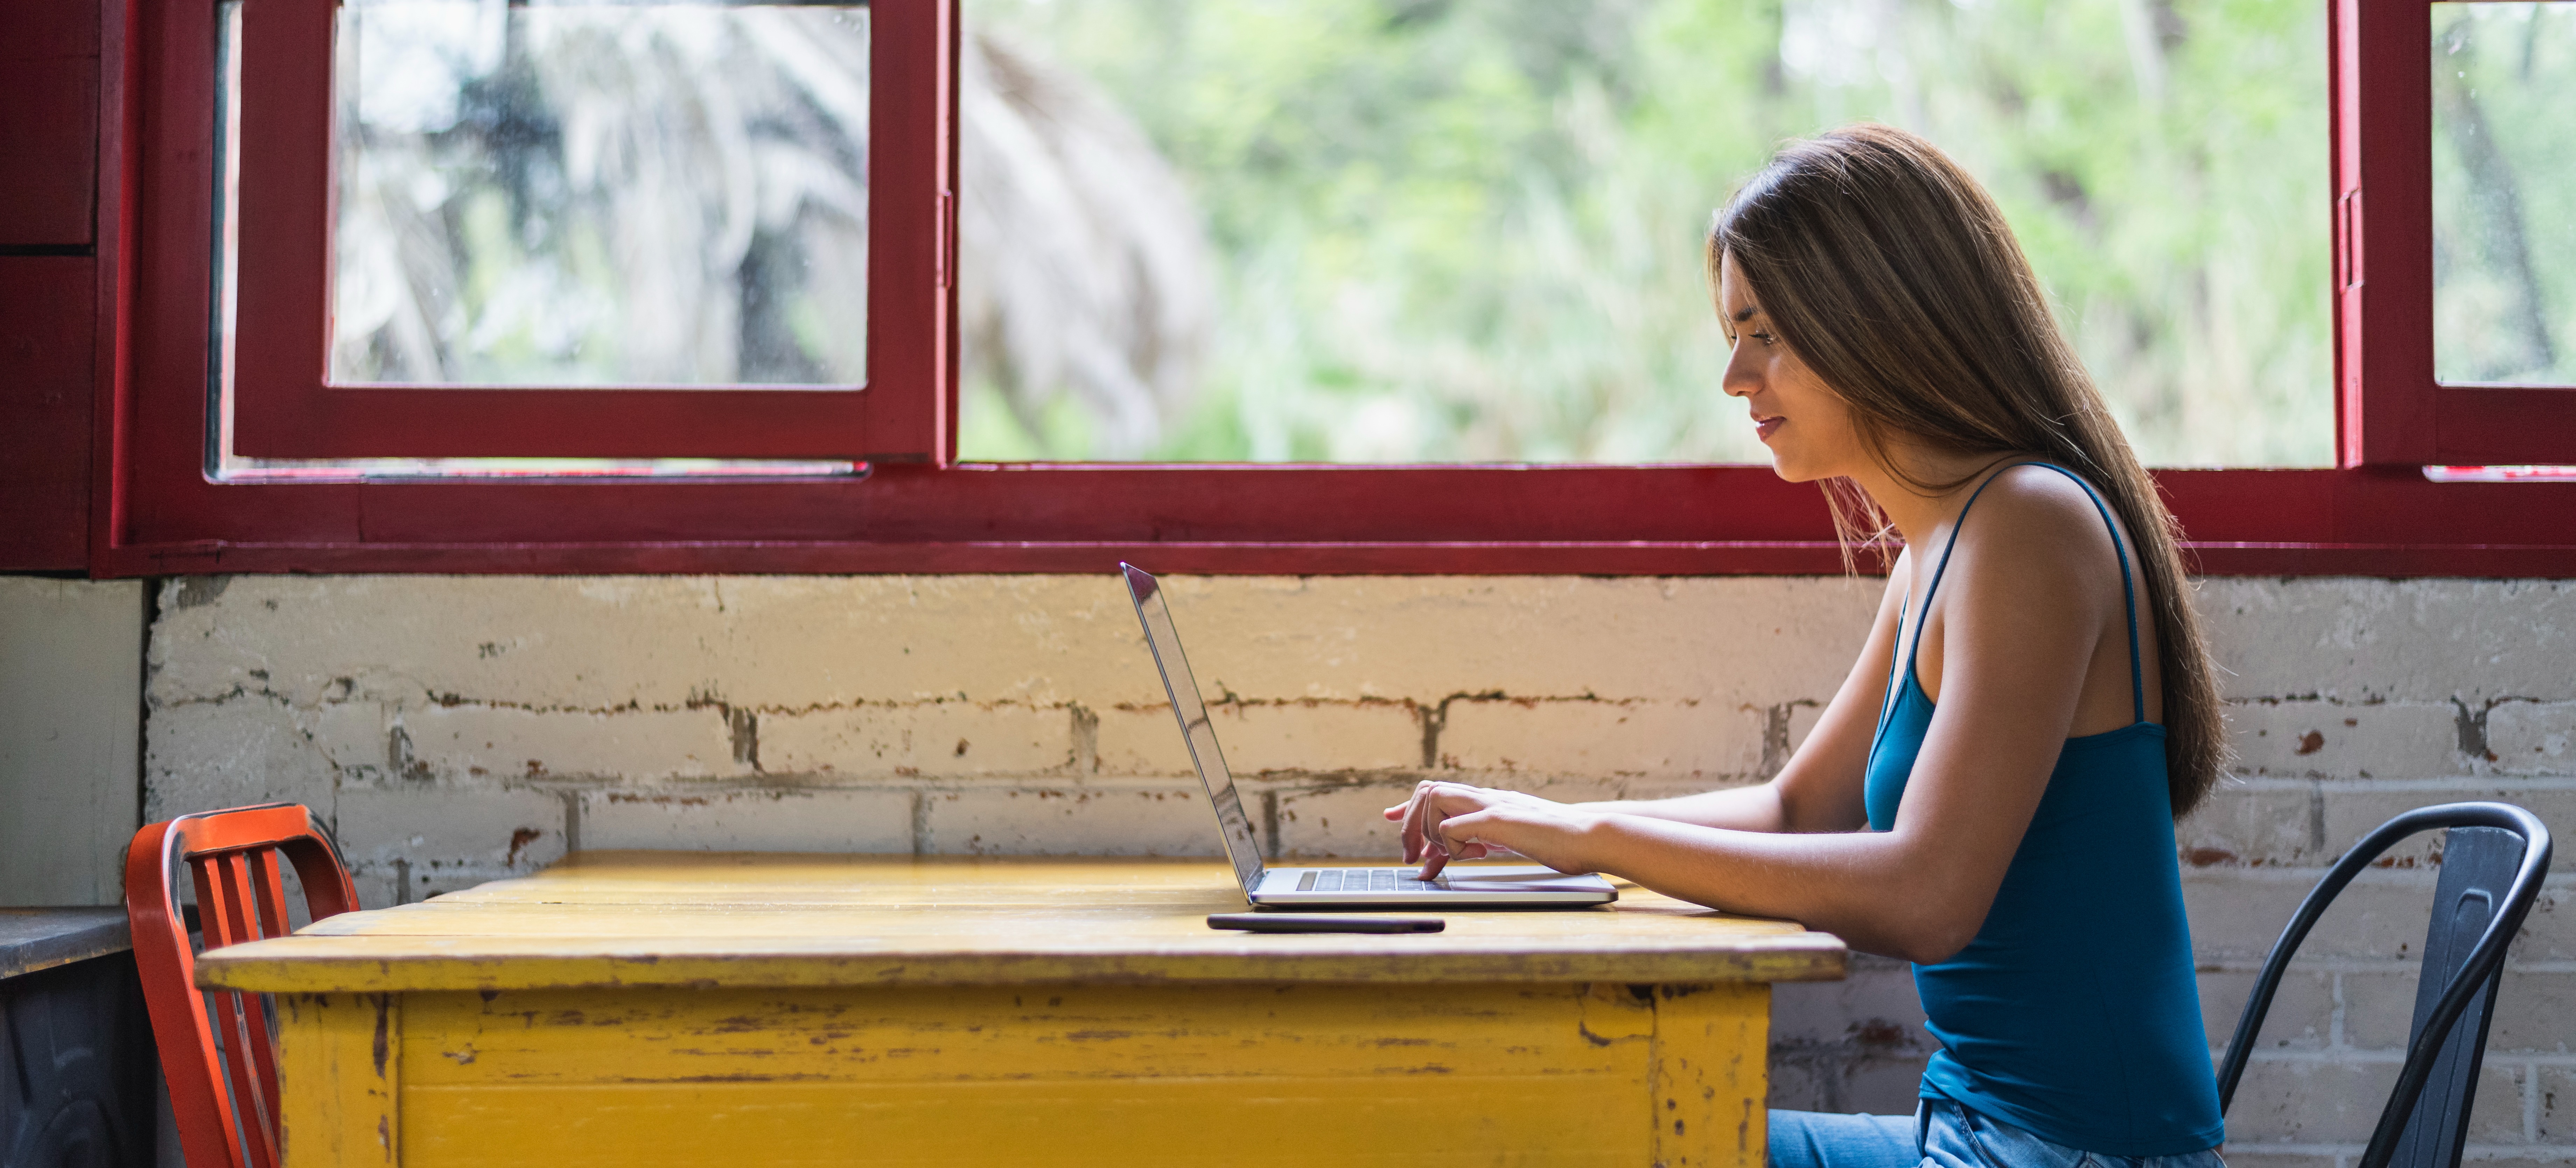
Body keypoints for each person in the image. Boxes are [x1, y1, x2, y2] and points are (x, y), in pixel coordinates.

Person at [1382, 123, 2228, 1168]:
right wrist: (1535, 826)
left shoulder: (2030, 525)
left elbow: (1927, 896)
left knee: (1582, 1141)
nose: (1736, 376)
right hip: (1969, 1132)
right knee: (1578, 1130)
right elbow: (1796, 808)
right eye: (1735, 334)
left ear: (1880, 322)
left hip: (2069, 1157)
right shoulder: (1939, 548)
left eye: (1767, 332)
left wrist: (1596, 839)